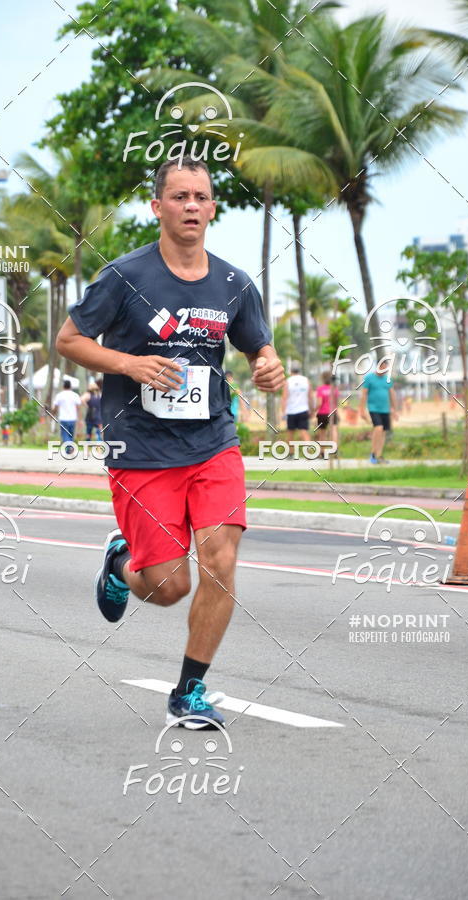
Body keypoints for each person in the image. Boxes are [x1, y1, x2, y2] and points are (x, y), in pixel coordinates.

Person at [56, 156, 284, 730]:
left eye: (201, 197)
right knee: (168, 587)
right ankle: (120, 562)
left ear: (212, 208)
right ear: (157, 207)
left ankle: (189, 690)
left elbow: (258, 343)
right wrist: (128, 363)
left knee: (221, 561)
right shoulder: (125, 276)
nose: (191, 206)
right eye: (179, 196)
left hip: (212, 441)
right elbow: (69, 339)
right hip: (140, 446)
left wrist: (268, 362)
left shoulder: (233, 283)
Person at [359, 360, 398, 464]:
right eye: (383, 367)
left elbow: (392, 394)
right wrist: (361, 410)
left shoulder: (388, 379)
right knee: (378, 428)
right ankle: (373, 453)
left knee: (383, 431)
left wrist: (394, 409)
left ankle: (379, 455)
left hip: (385, 409)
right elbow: (364, 394)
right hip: (373, 408)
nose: (384, 371)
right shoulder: (369, 378)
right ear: (379, 366)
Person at [282, 363, 312, 442]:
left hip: (291, 411)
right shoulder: (306, 380)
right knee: (304, 432)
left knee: (290, 434)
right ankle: (311, 452)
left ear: (291, 371)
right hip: (303, 410)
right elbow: (310, 397)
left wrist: (283, 412)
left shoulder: (288, 381)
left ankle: (291, 454)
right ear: (299, 370)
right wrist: (311, 410)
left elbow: (284, 398)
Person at [53, 379, 81, 454]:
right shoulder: (75, 395)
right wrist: (79, 418)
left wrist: (53, 412)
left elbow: (55, 407)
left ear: (63, 386)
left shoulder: (59, 395)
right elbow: (78, 407)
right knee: (70, 434)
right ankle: (69, 449)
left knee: (65, 434)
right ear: (70, 386)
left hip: (63, 418)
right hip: (73, 418)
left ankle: (69, 447)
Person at [314, 371, 339, 443]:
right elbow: (336, 403)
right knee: (334, 430)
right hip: (332, 412)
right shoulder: (334, 389)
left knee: (322, 432)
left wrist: (314, 410)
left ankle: (322, 451)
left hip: (322, 413)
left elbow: (319, 403)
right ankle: (334, 448)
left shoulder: (320, 389)